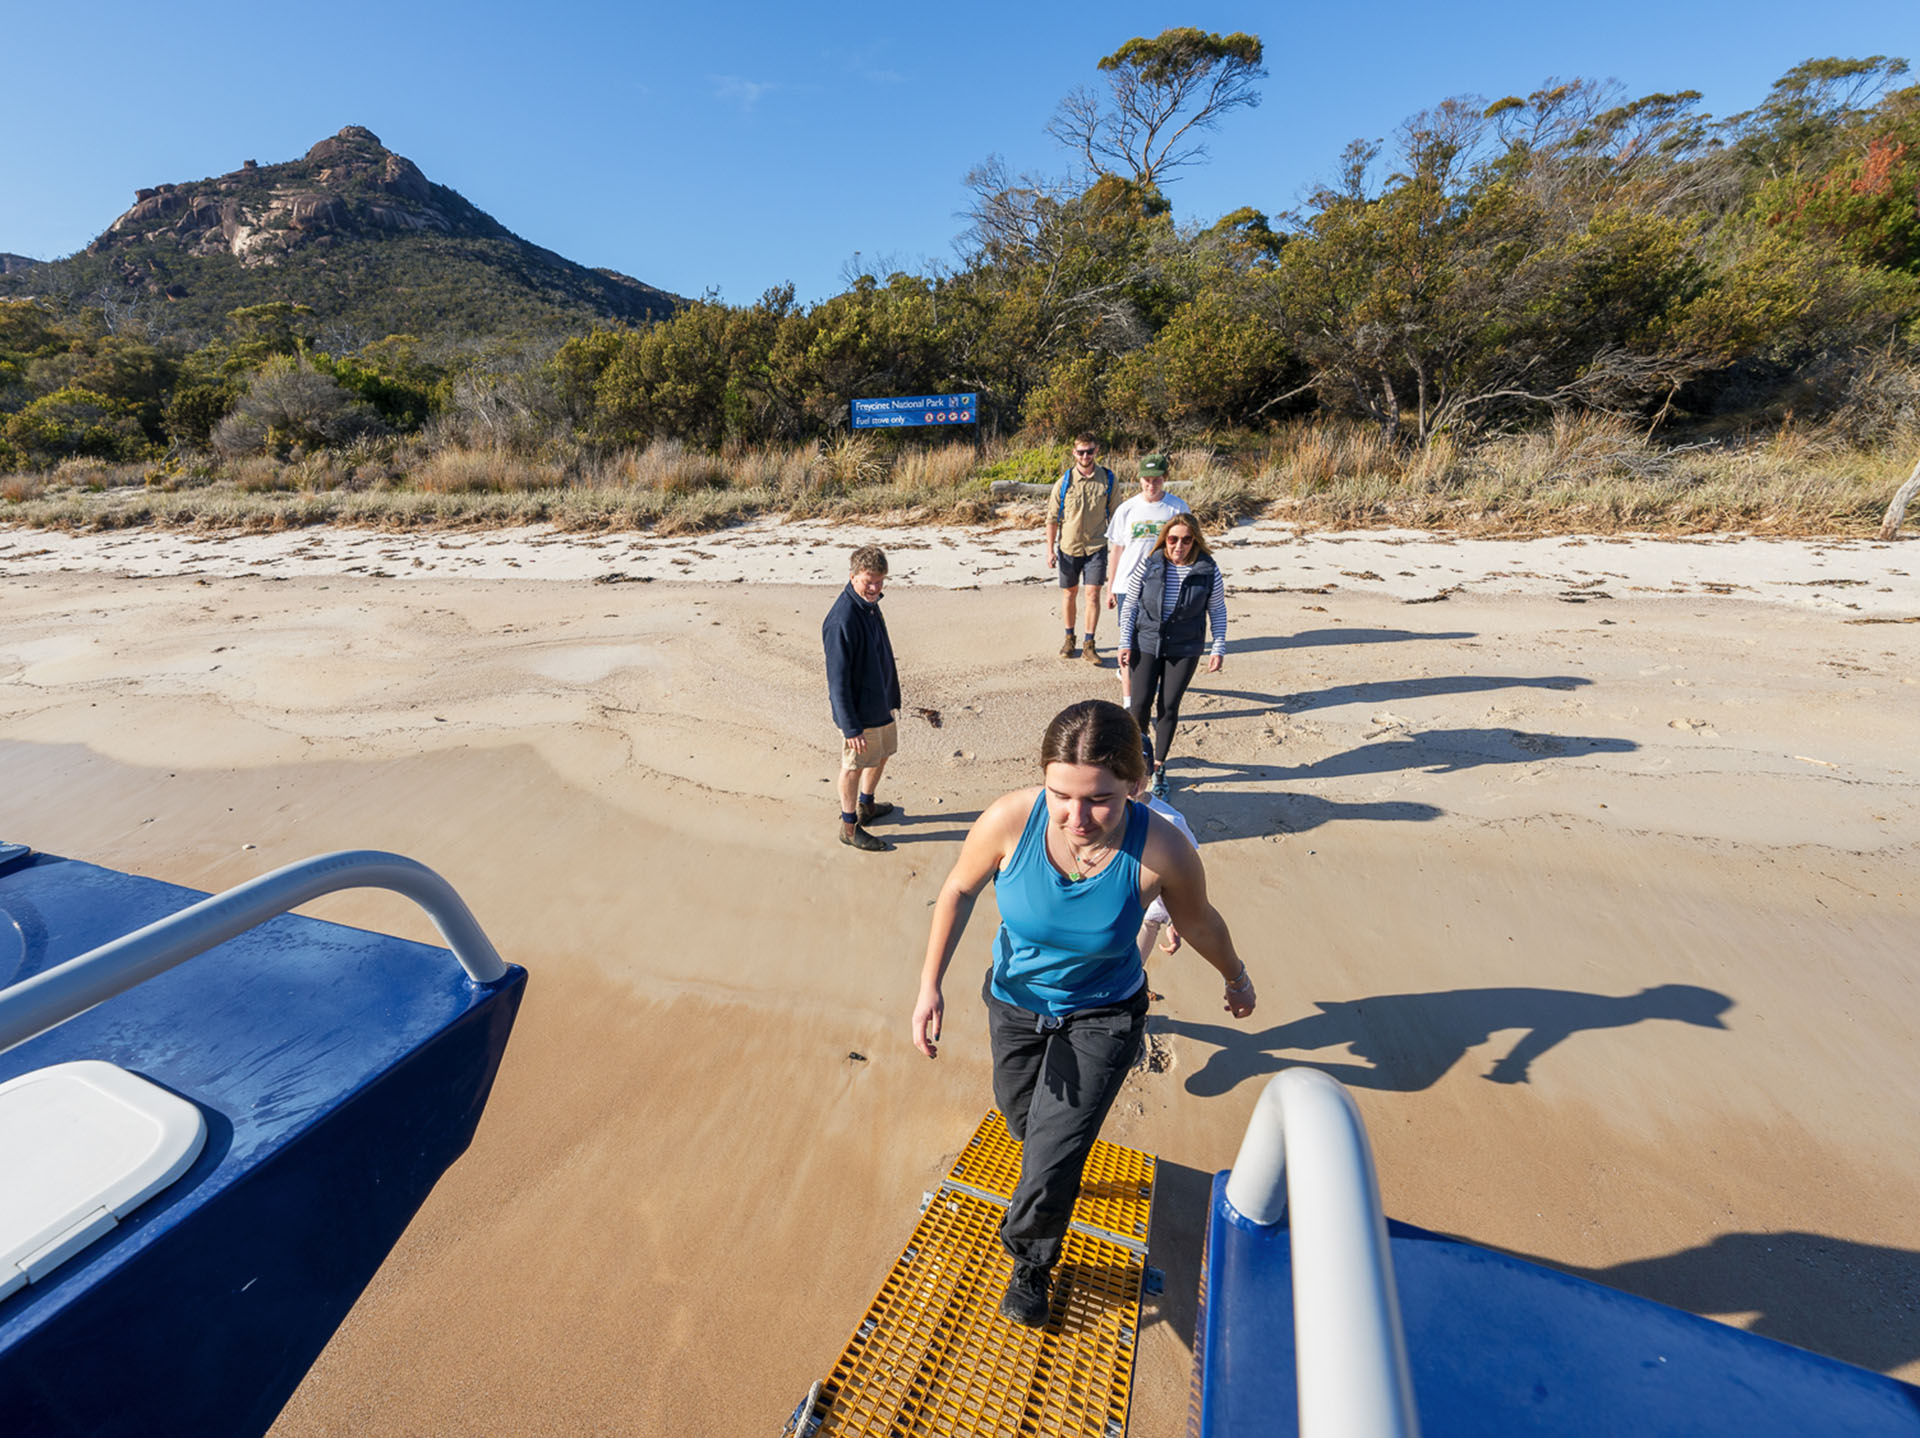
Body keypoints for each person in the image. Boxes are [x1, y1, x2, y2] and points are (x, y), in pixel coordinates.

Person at [910, 700, 1256, 1328]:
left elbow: (1201, 922)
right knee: (1022, 1118)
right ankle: (1048, 1171)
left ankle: (1031, 1263)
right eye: (1061, 796)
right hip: (1015, 1003)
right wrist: (929, 985)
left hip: (1105, 1014)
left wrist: (1236, 976)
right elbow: (958, 888)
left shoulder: (1163, 850)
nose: (1076, 818)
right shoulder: (1010, 820)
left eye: (1099, 800)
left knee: (1053, 1152)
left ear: (1136, 784)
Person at [1117, 514, 1227, 799]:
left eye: (1186, 540)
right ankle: (1137, 764)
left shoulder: (1208, 569)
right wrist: (1125, 641)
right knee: (1139, 705)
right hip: (1146, 643)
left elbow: (1217, 609)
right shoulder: (1150, 563)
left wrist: (1218, 646)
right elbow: (1131, 604)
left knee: (1168, 707)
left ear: (1195, 541)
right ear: (1165, 539)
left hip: (1184, 647)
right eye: (1173, 539)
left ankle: (1159, 766)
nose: (1179, 545)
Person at [822, 544, 901, 853]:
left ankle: (866, 805)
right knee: (853, 766)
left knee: (882, 753)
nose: (875, 588)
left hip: (880, 701)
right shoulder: (842, 619)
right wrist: (850, 727)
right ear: (852, 576)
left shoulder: (870, 604)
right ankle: (849, 827)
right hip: (858, 713)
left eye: (880, 581)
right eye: (869, 581)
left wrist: (891, 695)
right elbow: (837, 681)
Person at [1104, 452, 1190, 707]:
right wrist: (1111, 588)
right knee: (1128, 640)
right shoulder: (1126, 509)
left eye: (1157, 479)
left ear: (1165, 478)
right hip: (1127, 584)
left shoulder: (1177, 508)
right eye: (1147, 480)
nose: (1151, 485)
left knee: (1157, 639)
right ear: (1140, 479)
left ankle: (1148, 682)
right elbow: (1116, 550)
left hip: (1163, 585)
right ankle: (1129, 703)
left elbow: (1187, 547)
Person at [1044, 434, 1116, 664]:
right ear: (1074, 453)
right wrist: (1050, 550)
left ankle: (1089, 644)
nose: (1086, 456)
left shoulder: (1108, 479)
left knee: (1093, 594)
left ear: (1096, 451)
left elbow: (1117, 516)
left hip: (1096, 547)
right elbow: (1052, 519)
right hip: (1068, 547)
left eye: (1090, 451)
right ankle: (1069, 638)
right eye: (1081, 452)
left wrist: (1120, 550)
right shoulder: (1064, 482)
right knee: (1070, 593)